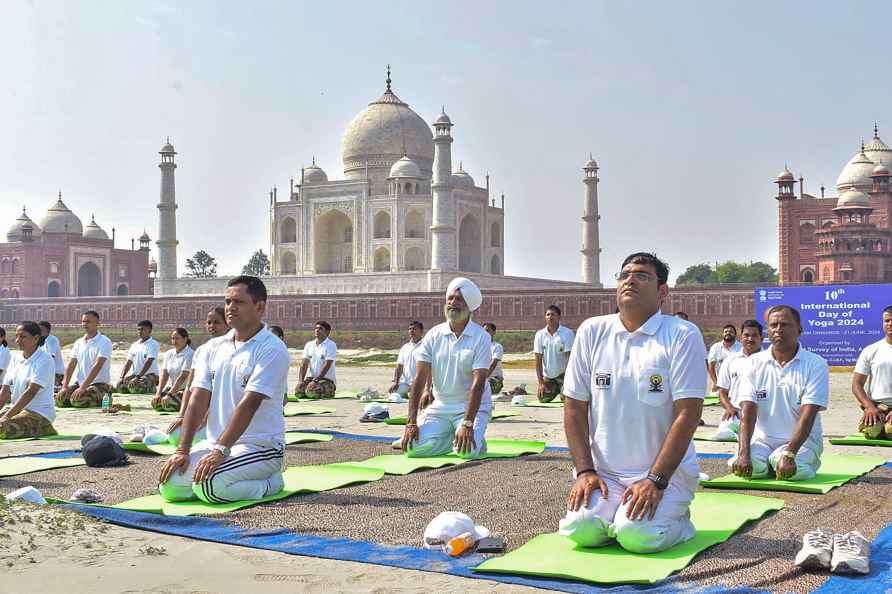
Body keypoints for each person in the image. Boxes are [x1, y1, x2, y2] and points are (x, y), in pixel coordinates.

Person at [558, 252, 707, 554]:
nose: (630, 280)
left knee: (638, 537)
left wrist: (656, 480)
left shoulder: (681, 335)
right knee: (580, 529)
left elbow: (688, 415)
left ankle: (680, 524)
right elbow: (574, 408)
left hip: (664, 475)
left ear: (662, 291)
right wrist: (586, 472)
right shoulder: (592, 331)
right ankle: (617, 515)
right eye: (625, 274)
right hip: (607, 475)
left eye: (642, 275)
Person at [158, 275, 290, 504]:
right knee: (169, 487)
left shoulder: (272, 349)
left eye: (238, 302)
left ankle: (270, 483)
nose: (230, 308)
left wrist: (220, 451)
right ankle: (223, 479)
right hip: (216, 441)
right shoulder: (213, 348)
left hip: (259, 445)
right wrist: (183, 449)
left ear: (259, 307)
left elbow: (249, 404)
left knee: (208, 486)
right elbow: (198, 398)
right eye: (228, 302)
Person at [730, 305, 829, 482]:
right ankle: (768, 464)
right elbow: (747, 411)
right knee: (740, 467)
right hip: (763, 442)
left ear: (799, 330)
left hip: (803, 443)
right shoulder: (753, 363)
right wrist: (744, 453)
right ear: (768, 330)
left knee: (783, 464)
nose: (778, 330)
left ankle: (791, 463)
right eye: (773, 325)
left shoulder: (815, 364)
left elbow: (808, 415)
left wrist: (790, 454)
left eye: (784, 324)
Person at [401, 277, 493, 459]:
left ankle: (474, 440)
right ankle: (451, 438)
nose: (453, 303)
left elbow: (479, 383)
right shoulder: (434, 335)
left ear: (469, 306)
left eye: (459, 300)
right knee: (411, 449)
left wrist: (467, 423)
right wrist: (411, 422)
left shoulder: (481, 337)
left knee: (468, 453)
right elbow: (419, 379)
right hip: (440, 407)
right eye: (450, 298)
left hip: (471, 408)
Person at [165, 307, 229, 444]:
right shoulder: (201, 350)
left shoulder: (233, 349)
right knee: (175, 436)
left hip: (223, 413)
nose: (212, 326)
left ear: (228, 324)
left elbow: (223, 389)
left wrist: (207, 416)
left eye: (216, 322)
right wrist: (182, 416)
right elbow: (190, 385)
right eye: (209, 322)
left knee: (201, 439)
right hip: (200, 409)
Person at [0, 322, 57, 439]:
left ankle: (44, 427)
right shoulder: (15, 358)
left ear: (36, 338)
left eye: (23, 337)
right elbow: (5, 391)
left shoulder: (45, 359)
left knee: (3, 429)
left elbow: (31, 391)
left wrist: (6, 417)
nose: (17, 340)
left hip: (38, 412)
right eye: (16, 336)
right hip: (18, 409)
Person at [712, 320, 764, 440]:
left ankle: (747, 436)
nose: (750, 339)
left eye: (754, 335)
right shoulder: (730, 360)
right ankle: (741, 436)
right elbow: (722, 392)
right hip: (736, 413)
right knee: (721, 434)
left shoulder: (769, 360)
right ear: (741, 337)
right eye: (746, 335)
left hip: (762, 415)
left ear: (761, 338)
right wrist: (729, 407)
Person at [55, 311, 114, 408]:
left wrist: (83, 387)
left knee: (77, 401)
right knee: (60, 399)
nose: (85, 324)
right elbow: (71, 365)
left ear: (98, 323)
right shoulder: (79, 343)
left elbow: (98, 366)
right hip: (81, 383)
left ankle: (105, 397)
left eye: (88, 322)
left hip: (99, 385)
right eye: (83, 321)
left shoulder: (104, 341)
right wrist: (64, 387)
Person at [851, 306, 892, 439]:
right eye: (887, 320)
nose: (890, 324)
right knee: (871, 432)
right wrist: (869, 407)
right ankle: (881, 423)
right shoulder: (871, 350)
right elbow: (857, 385)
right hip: (877, 407)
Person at [534, 305, 575, 403]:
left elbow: (570, 359)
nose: (550, 317)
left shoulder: (567, 333)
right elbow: (538, 360)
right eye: (547, 314)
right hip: (549, 377)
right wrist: (541, 383)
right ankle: (555, 389)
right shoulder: (540, 335)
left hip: (563, 375)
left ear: (559, 317)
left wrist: (567, 381)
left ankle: (562, 390)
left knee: (567, 399)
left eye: (553, 314)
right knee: (542, 398)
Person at [151, 328, 194, 413]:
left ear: (185, 339)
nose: (174, 341)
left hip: (186, 390)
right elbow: (164, 375)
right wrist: (158, 393)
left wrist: (169, 395)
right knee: (156, 404)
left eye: (177, 338)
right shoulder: (168, 354)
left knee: (168, 404)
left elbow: (183, 376)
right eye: (172, 338)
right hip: (173, 389)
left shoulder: (191, 354)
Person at [387, 321, 432, 402]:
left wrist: (426, 386)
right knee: (393, 394)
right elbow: (399, 366)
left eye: (414, 329)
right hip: (406, 383)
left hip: (420, 383)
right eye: (410, 329)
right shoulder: (405, 347)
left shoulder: (426, 347)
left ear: (421, 331)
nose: (411, 331)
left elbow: (429, 367)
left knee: (415, 397)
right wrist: (396, 382)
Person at [294, 321, 337, 399]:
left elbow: (327, 364)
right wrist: (300, 381)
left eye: (320, 329)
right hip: (312, 378)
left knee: (311, 393)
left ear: (327, 332)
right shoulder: (309, 345)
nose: (317, 330)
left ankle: (329, 392)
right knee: (298, 393)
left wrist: (316, 381)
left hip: (326, 380)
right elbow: (304, 364)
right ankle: (310, 388)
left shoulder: (331, 345)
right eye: (316, 328)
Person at [118, 320, 161, 394]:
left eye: (143, 329)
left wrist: (137, 377)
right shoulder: (135, 345)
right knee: (120, 387)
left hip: (150, 375)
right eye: (139, 329)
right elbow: (128, 362)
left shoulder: (153, 344)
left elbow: (148, 362)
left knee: (136, 388)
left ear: (149, 331)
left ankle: (152, 388)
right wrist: (122, 377)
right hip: (136, 375)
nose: (140, 332)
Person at [707, 324, 742, 393]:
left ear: (735, 334)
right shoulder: (715, 347)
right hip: (720, 385)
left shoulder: (741, 347)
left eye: (731, 332)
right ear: (723, 334)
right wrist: (716, 382)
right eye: (726, 331)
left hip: (738, 385)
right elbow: (711, 366)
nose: (728, 333)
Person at [38, 321, 65, 387]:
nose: (40, 332)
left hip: (56, 373)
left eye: (42, 330)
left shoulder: (52, 340)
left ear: (48, 331)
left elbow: (50, 357)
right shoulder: (41, 341)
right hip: (47, 372)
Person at [483, 322, 504, 395]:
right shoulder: (478, 347)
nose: (485, 333)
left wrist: (482, 379)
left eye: (487, 330)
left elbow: (492, 365)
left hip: (494, 380)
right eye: (483, 331)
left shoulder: (497, 347)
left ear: (494, 332)